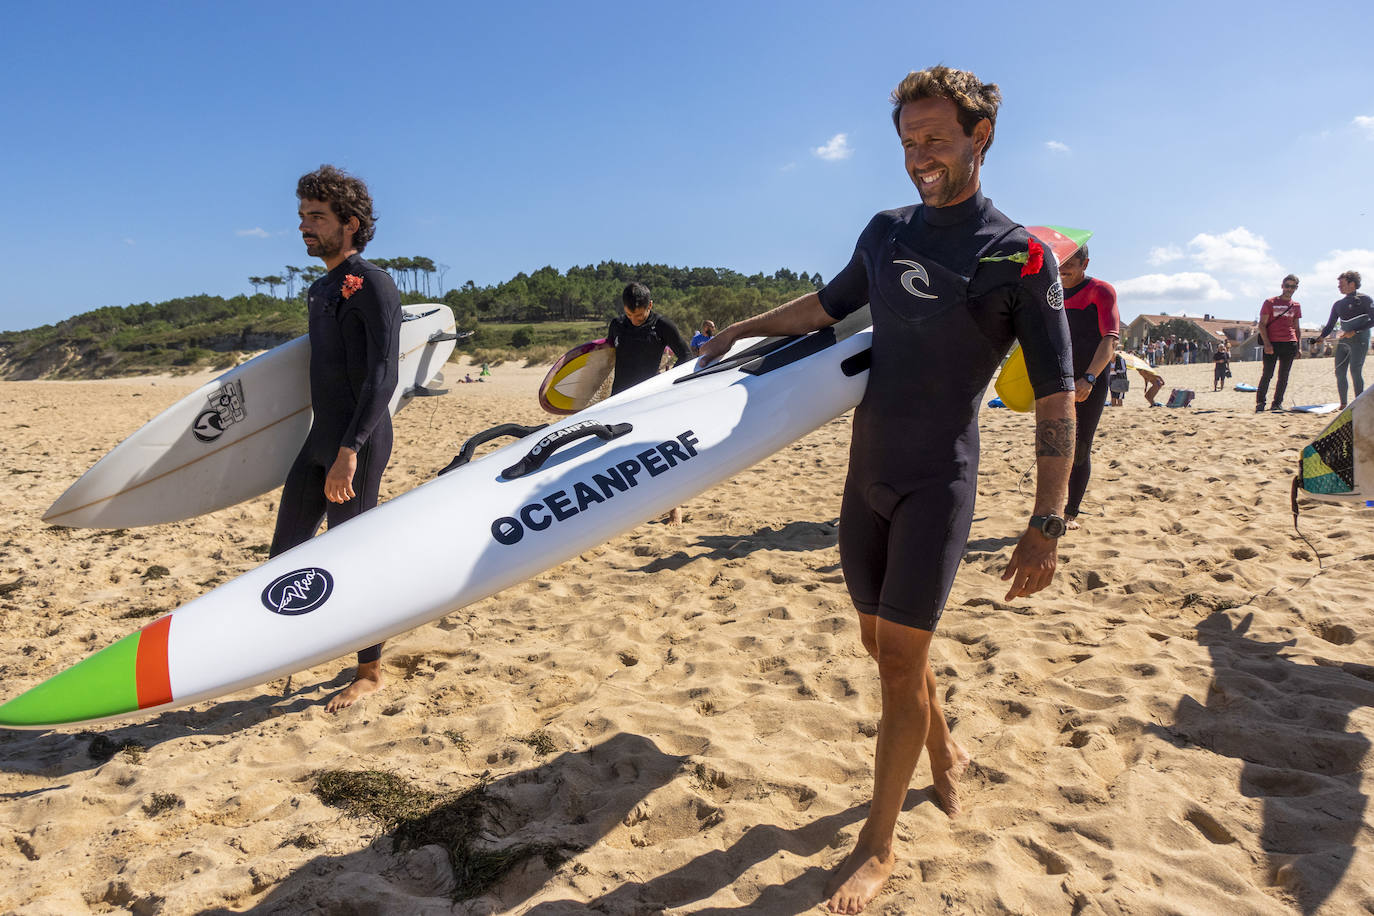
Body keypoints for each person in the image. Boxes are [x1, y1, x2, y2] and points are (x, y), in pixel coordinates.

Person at [698, 66, 1075, 915]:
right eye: (909, 142)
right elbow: (827, 308)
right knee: (884, 648)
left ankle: (878, 847)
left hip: (938, 479)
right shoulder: (886, 230)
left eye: (937, 140)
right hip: (864, 477)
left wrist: (1046, 520)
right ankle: (945, 754)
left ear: (982, 137)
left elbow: (1057, 396)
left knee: (899, 658)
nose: (920, 158)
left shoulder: (1019, 256)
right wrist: (742, 329)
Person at [270, 165, 402, 713]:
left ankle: (369, 671)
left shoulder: (371, 283)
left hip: (357, 441)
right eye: (302, 215)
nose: (305, 225)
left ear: (350, 223)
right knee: (285, 555)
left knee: (353, 556)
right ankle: (294, 643)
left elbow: (382, 375)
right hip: (320, 437)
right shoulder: (322, 287)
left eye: (316, 216)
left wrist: (350, 451)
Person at [608, 282, 691, 522]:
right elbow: (606, 356)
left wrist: (665, 382)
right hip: (618, 399)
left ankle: (674, 506)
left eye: (640, 314)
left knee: (656, 452)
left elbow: (686, 355)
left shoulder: (662, 326)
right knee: (618, 453)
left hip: (648, 399)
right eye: (629, 314)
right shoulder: (617, 325)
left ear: (650, 306)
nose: (634, 319)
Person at [1058, 246, 1119, 530]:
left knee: (1080, 446)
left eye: (1071, 262)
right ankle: (1052, 507)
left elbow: (1110, 341)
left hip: (1089, 380)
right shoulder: (1051, 292)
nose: (1064, 267)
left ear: (1086, 263)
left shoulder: (1100, 290)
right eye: (1060, 261)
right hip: (1058, 377)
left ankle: (1070, 513)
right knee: (1055, 444)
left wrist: (1090, 378)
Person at [1314, 270, 1373, 409]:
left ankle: (1360, 403)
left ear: (1352, 284)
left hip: (1361, 340)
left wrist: (1355, 331)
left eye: (1341, 284)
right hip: (1344, 341)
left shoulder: (1365, 299)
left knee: (1355, 370)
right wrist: (1321, 337)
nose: (1339, 287)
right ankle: (1343, 404)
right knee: (1339, 371)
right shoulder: (1338, 304)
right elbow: (1330, 325)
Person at [1255, 275, 1303, 412]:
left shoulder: (1296, 306)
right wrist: (1267, 344)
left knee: (1284, 376)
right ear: (1282, 286)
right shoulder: (1270, 302)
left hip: (1290, 343)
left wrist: (1298, 347)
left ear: (1296, 288)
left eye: (1292, 286)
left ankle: (1277, 403)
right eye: (1287, 286)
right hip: (1272, 342)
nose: (1289, 289)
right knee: (1267, 374)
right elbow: (1262, 325)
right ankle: (1260, 403)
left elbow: (1297, 328)